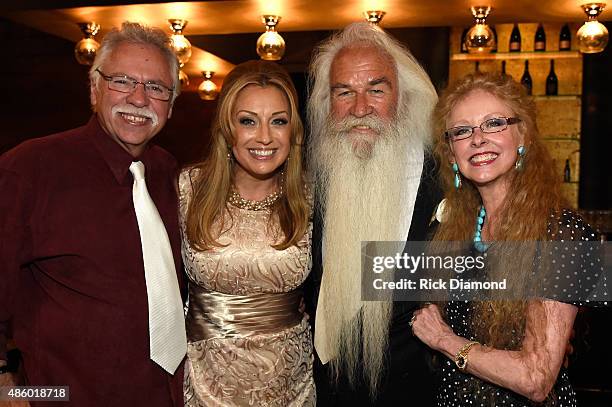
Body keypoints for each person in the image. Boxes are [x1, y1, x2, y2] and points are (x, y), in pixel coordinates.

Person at [0, 22, 186, 406]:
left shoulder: (171, 174)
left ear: (171, 103)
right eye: (122, 81)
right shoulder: (29, 169)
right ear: (93, 88)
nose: (138, 99)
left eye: (156, 87)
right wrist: (10, 388)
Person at [411, 72, 606, 406]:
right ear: (451, 153)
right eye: (462, 131)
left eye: (494, 123)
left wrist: (445, 340)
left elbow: (536, 378)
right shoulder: (455, 228)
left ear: (523, 135)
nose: (477, 139)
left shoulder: (559, 233)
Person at [305, 22, 440, 405]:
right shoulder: (309, 181)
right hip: (326, 393)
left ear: (404, 97)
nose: (359, 109)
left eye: (376, 90)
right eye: (344, 92)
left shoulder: (448, 181)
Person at [179, 60, 314, 406]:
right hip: (203, 384)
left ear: (293, 131)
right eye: (248, 121)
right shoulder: (187, 189)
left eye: (279, 121)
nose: (265, 137)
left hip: (290, 386)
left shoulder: (313, 196)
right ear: (227, 128)